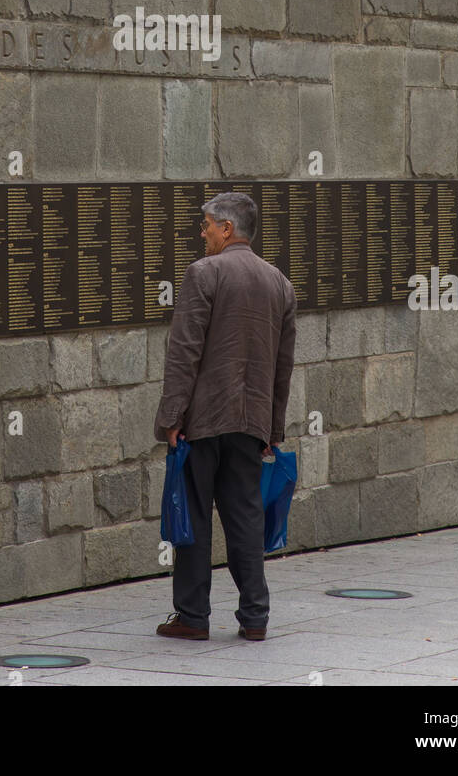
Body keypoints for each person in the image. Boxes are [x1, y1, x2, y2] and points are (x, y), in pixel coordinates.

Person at [152, 190, 297, 642]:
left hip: (203, 420)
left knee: (193, 518)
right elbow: (282, 365)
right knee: (246, 519)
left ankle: (193, 617)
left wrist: (171, 418)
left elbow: (185, 353)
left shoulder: (204, 273)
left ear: (227, 229)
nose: (203, 232)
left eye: (208, 225)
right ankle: (255, 617)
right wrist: (273, 430)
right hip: (250, 423)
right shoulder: (279, 282)